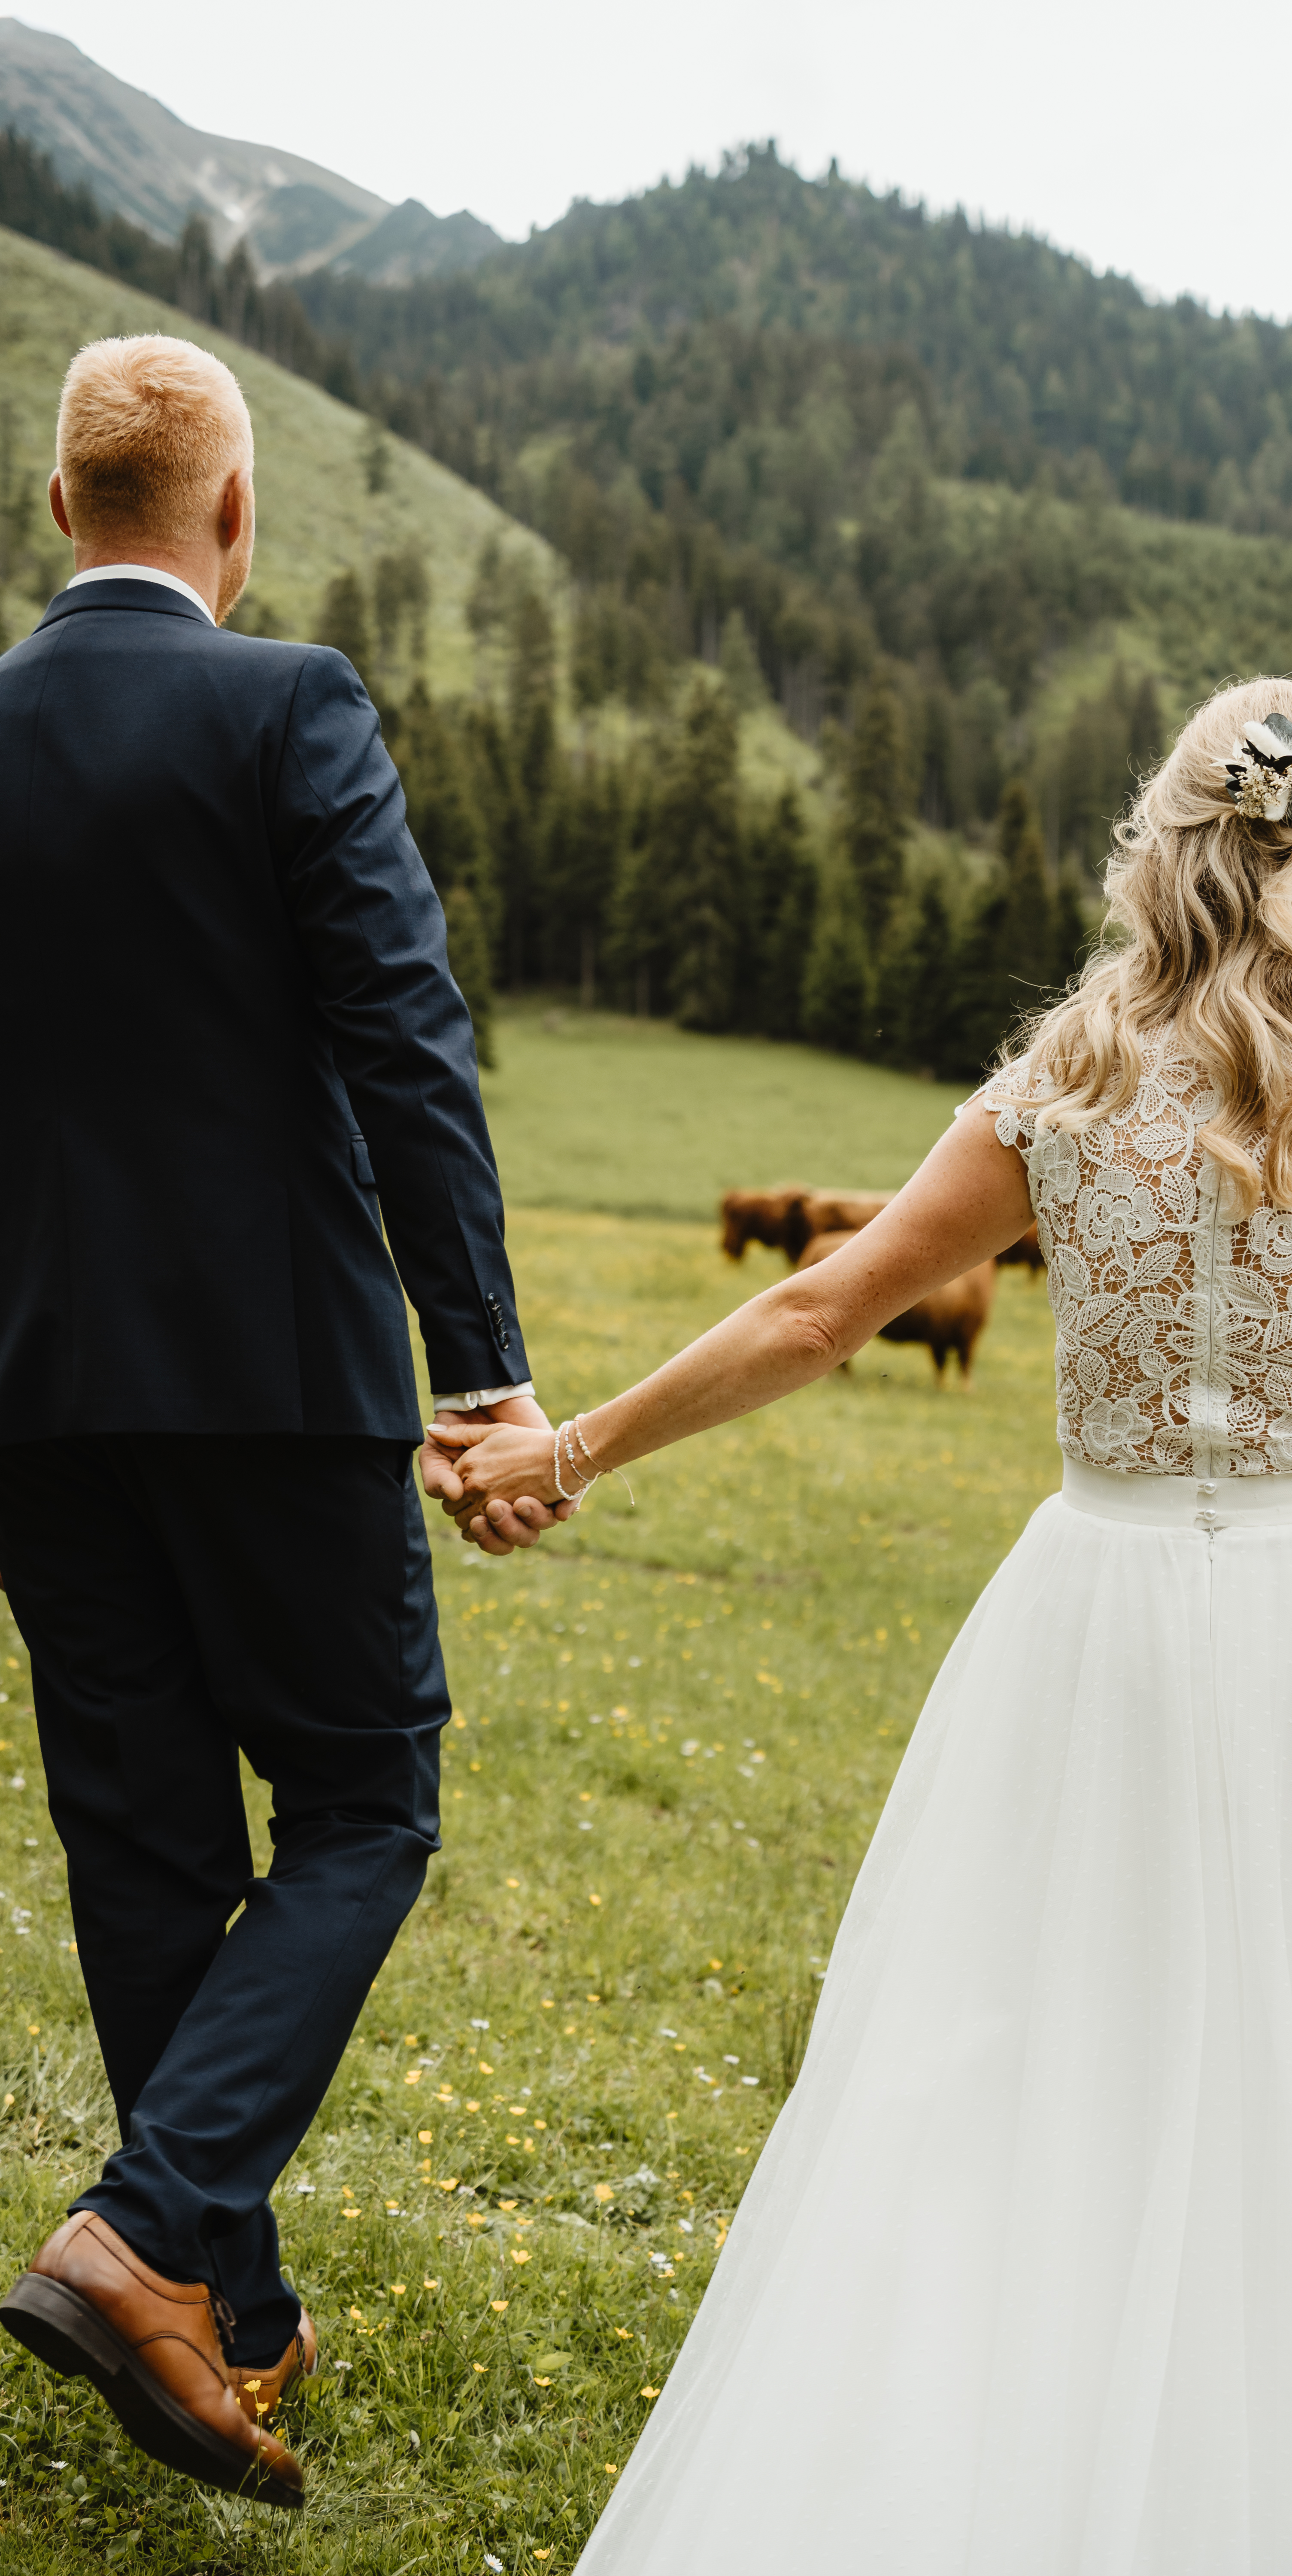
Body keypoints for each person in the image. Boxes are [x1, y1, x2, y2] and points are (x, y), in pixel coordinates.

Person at [437, 681, 1292, 2572]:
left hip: (1090, 1617)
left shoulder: (1069, 1086)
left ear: (1163, 847)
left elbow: (821, 1313)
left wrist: (576, 1449)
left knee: (1027, 2047)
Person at [0, 333, 561, 2510]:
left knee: (145, 1842)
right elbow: (405, 1041)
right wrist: (484, 1361)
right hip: (275, 1382)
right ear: (235, 517)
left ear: (68, 516)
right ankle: (144, 2239)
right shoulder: (288, 705)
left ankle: (229, 2308)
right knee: (363, 1804)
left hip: (33, 1398)